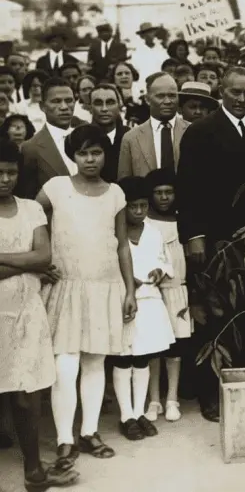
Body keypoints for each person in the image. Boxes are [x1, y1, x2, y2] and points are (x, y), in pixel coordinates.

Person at [176, 66, 245, 422]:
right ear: (222, 90)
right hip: (215, 239)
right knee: (216, 317)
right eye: (236, 92)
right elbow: (187, 188)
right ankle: (211, 392)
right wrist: (195, 236)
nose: (242, 100)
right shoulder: (200, 132)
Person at [36, 124, 136, 467]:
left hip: (105, 286)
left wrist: (130, 289)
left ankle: (89, 431)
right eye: (83, 153)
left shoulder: (115, 194)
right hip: (66, 285)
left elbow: (122, 245)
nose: (90, 159)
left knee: (95, 362)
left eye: (96, 152)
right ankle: (65, 438)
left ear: (105, 155)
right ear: (72, 155)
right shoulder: (56, 188)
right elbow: (32, 223)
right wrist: (40, 262)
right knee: (65, 366)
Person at [0, 139, 79, 490]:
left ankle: (33, 469)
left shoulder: (31, 208)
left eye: (11, 172)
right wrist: (24, 261)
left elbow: (43, 258)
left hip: (27, 312)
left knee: (27, 390)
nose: (5, 179)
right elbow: (31, 259)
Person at [110, 176, 174, 441]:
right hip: (124, 300)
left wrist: (161, 270)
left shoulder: (154, 232)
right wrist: (125, 279)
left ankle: (139, 413)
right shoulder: (113, 232)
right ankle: (126, 415)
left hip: (149, 300)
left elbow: (167, 262)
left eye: (143, 206)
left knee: (143, 357)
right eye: (133, 206)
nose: (138, 211)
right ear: (123, 207)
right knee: (124, 357)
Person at [144, 168, 191, 423]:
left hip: (176, 290)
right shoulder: (145, 223)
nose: (164, 197)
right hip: (152, 292)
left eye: (168, 192)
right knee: (154, 348)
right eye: (158, 193)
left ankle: (172, 398)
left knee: (175, 348)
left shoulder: (182, 220)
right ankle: (154, 399)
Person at [17, 77, 79, 200]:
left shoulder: (87, 137)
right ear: (42, 106)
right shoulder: (30, 148)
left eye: (69, 100)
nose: (64, 107)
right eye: (56, 101)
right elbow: (27, 198)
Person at [118, 72, 189, 178]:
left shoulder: (194, 131)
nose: (168, 101)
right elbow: (125, 183)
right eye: (160, 96)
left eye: (172, 95)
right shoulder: (131, 138)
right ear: (147, 99)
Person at [88, 84, 127, 183]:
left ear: (119, 105)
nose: (104, 109)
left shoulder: (131, 136)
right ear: (89, 107)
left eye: (110, 103)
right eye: (98, 103)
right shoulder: (81, 139)